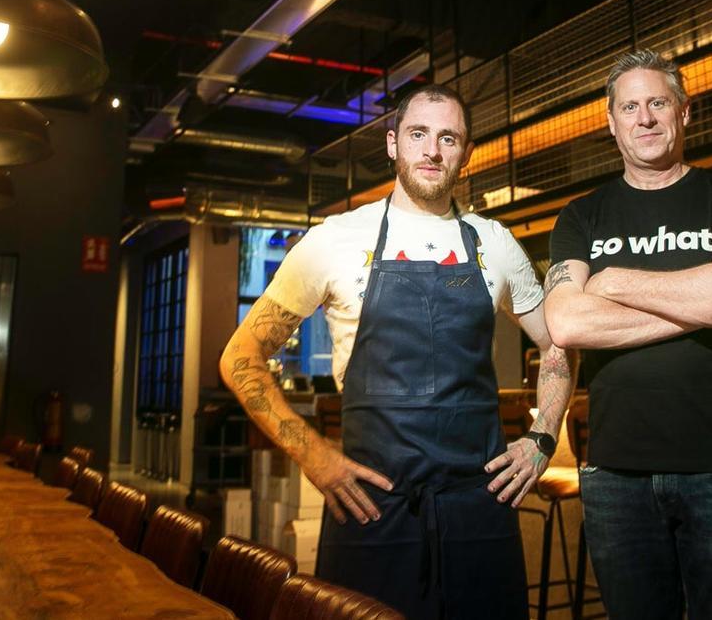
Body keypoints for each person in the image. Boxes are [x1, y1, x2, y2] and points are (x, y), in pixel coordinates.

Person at [219, 83, 576, 620]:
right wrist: (314, 457)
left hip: (479, 508)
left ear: (466, 152)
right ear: (392, 144)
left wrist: (542, 437)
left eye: (448, 137)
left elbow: (559, 343)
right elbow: (240, 358)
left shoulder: (494, 242)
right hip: (370, 508)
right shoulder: (334, 240)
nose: (433, 150)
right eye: (418, 134)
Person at [544, 49, 712, 619]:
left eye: (657, 102)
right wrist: (705, 295)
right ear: (611, 120)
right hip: (616, 472)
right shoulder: (581, 215)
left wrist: (614, 280)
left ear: (684, 112)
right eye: (630, 106)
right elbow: (567, 322)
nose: (644, 118)